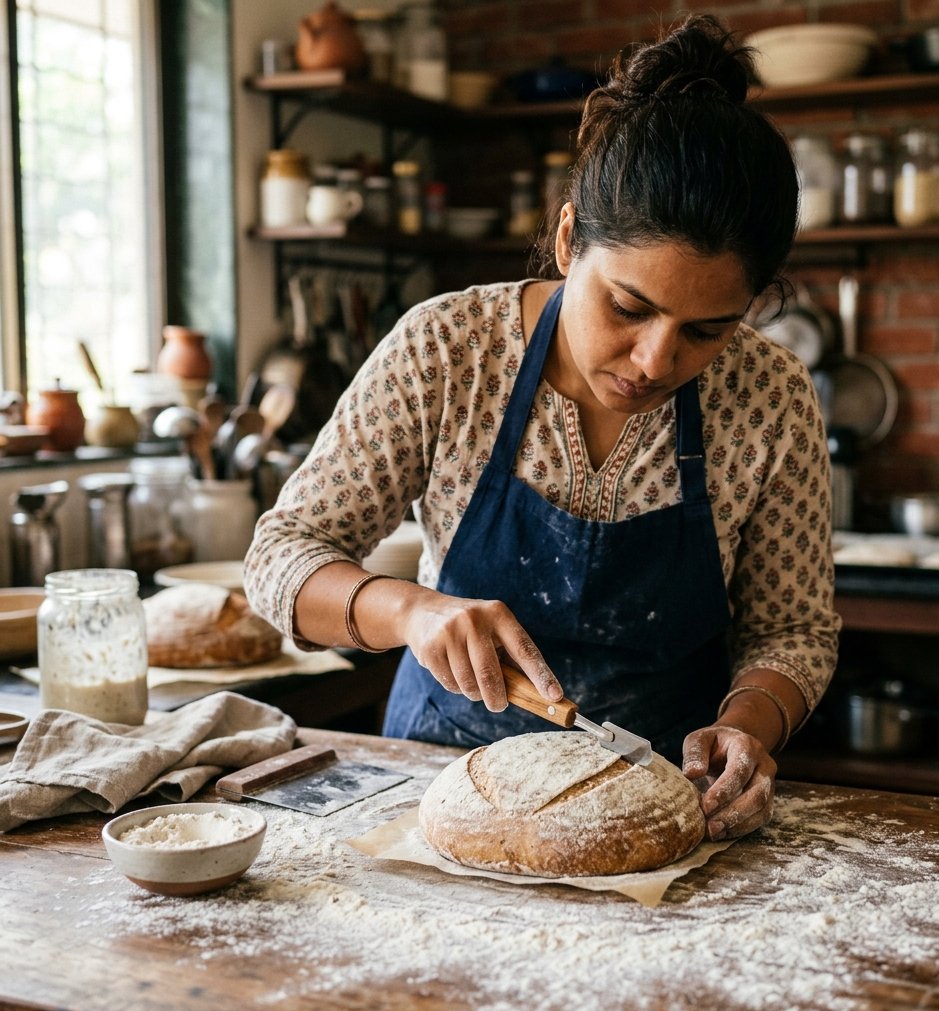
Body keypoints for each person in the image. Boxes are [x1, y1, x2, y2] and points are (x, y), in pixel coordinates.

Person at [244, 13, 840, 842]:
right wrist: (411, 611)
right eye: (627, 306)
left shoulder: (769, 395)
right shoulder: (448, 351)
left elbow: (793, 628)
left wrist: (751, 726)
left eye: (708, 330)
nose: (654, 360)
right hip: (439, 789)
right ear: (567, 240)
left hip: (662, 808)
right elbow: (281, 560)